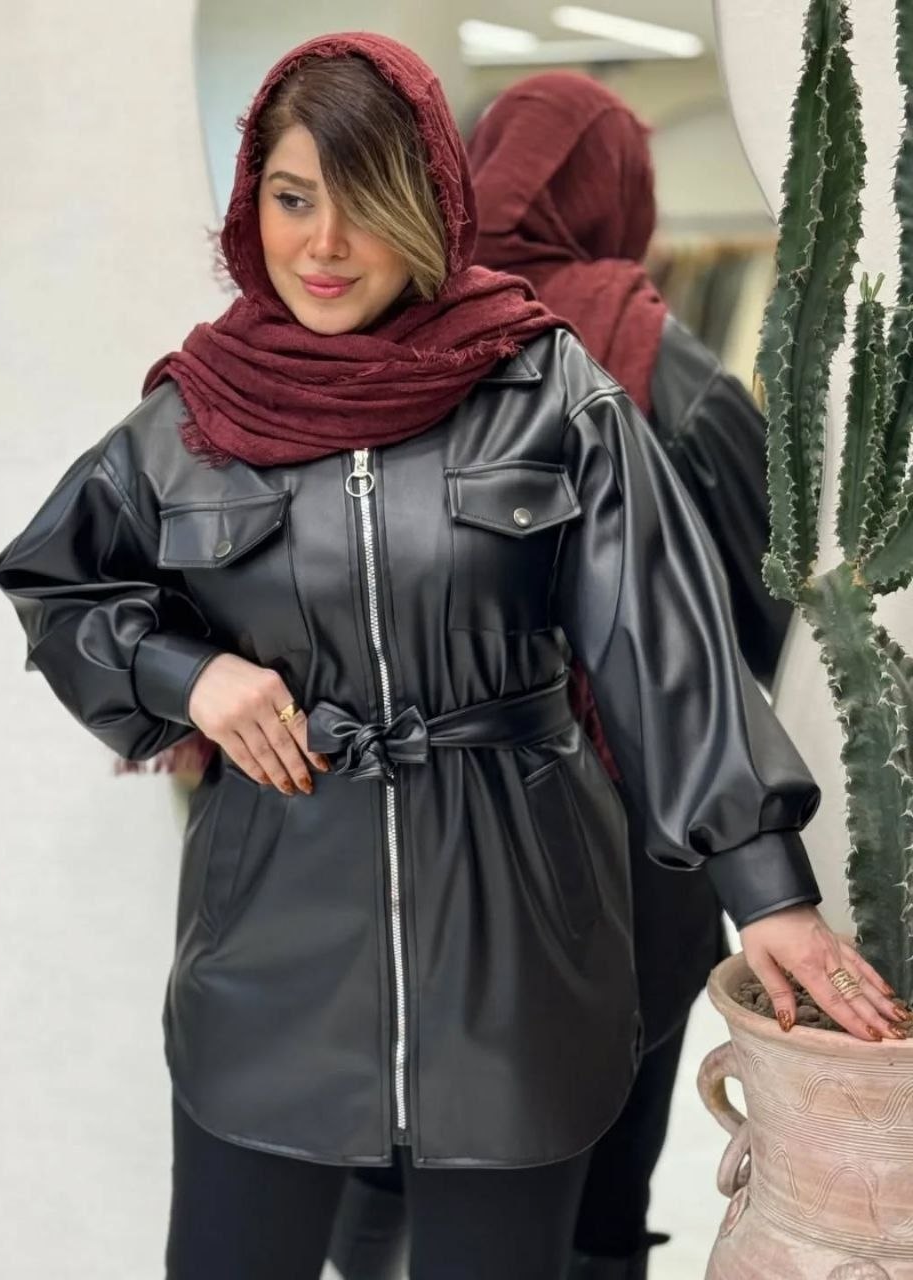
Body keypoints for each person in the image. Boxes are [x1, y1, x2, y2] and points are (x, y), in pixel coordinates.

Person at [0, 33, 904, 1280]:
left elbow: (665, 643)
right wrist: (187, 674)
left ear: (430, 205)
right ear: (252, 203)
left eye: (365, 203)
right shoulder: (196, 416)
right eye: (292, 199)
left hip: (521, 944)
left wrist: (769, 890)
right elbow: (57, 582)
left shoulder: (548, 392)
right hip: (267, 940)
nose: (323, 245)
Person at [328, 70, 805, 1280]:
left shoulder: (378, 345)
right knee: (600, 1153)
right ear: (614, 192)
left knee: (388, 1125)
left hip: (409, 823)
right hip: (623, 841)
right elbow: (767, 615)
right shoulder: (660, 361)